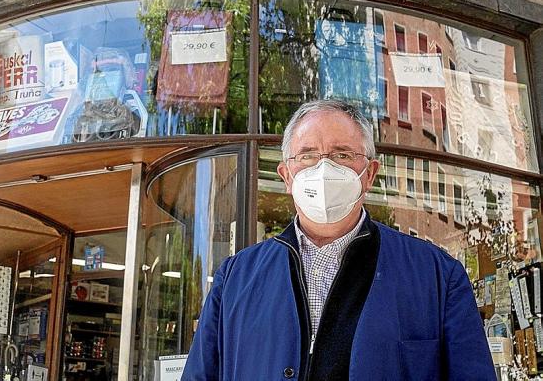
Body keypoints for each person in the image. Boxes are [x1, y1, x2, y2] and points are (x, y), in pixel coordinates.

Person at [182, 100, 495, 380]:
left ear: (369, 174)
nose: (323, 169)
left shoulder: (437, 276)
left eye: (342, 154)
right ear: (287, 176)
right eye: (307, 156)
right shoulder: (234, 279)